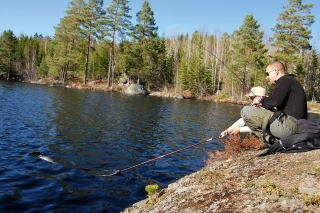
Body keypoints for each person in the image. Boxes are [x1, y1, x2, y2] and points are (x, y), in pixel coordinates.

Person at [240, 61, 307, 146]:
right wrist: (263, 104)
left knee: (245, 111)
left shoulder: (284, 80)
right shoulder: (291, 81)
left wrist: (260, 100)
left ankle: (271, 141)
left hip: (291, 127)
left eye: (267, 74)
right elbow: (279, 104)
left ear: (276, 71)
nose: (267, 77)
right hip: (298, 127)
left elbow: (276, 101)